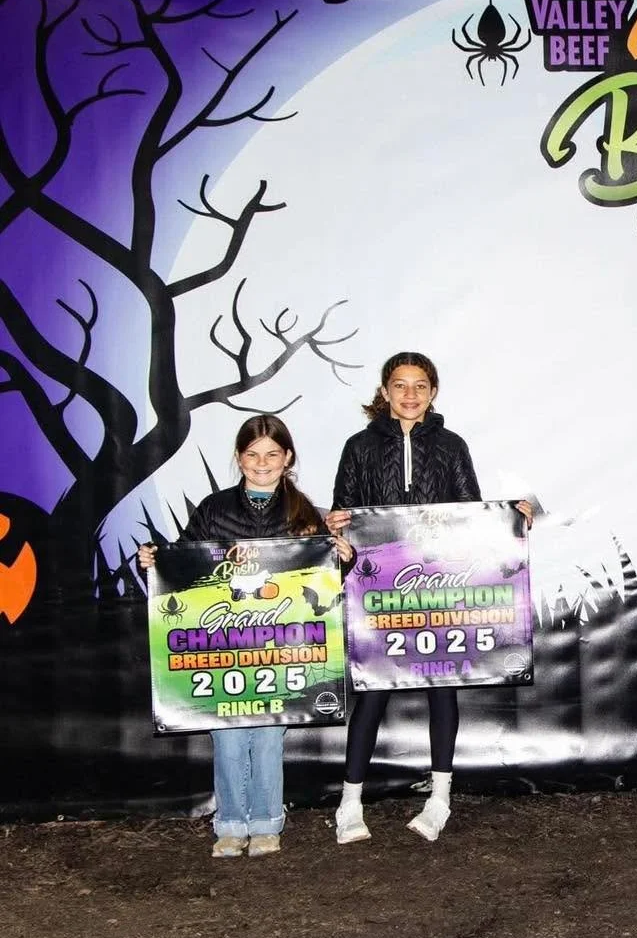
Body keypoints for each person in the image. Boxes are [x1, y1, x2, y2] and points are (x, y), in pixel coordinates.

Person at [326, 352, 532, 844]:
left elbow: (471, 515)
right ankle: (349, 801)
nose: (411, 394)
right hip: (380, 590)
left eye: (420, 385)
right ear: (385, 390)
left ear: (433, 391)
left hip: (442, 588)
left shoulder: (451, 445)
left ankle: (440, 796)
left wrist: (513, 513)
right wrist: (336, 525)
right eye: (400, 385)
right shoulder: (358, 446)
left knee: (444, 686)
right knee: (372, 692)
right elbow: (343, 512)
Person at [140, 415, 353, 858]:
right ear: (239, 458)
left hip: (280, 648)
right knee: (229, 735)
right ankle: (231, 825)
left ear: (287, 458)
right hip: (224, 647)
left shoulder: (303, 512)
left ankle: (268, 823)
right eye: (253, 454)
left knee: (270, 736)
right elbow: (182, 567)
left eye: (272, 454)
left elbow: (323, 578)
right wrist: (154, 562)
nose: (262, 463)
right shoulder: (214, 509)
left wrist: (344, 558)